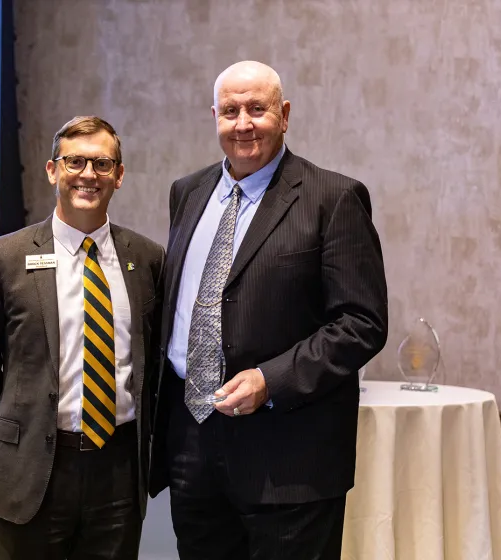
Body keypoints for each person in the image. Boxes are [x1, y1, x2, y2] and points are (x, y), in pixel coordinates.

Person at [149, 61, 389, 559]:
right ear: (214, 116)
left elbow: (362, 323)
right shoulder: (187, 193)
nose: (243, 124)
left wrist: (270, 381)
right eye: (231, 111)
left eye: (257, 109)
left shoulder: (333, 198)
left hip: (289, 461)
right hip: (193, 446)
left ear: (284, 115)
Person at [0, 116, 164, 560]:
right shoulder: (4, 258)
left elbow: (155, 362)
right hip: (33, 470)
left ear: (119, 176)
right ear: (53, 170)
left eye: (102, 163)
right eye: (75, 161)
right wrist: (18, 429)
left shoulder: (147, 260)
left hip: (118, 471)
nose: (88, 174)